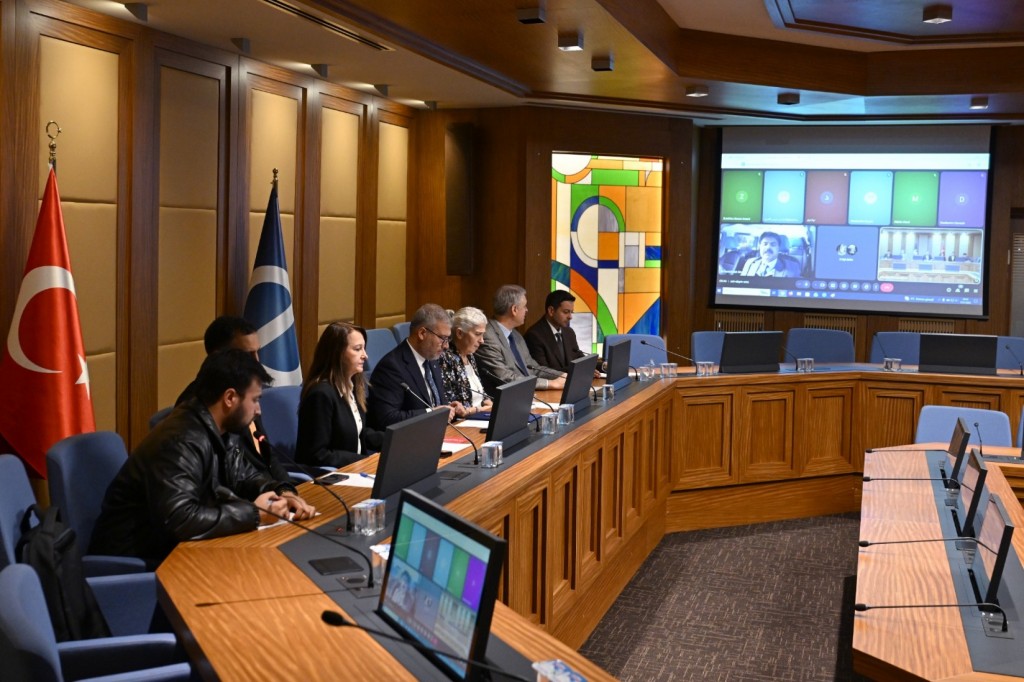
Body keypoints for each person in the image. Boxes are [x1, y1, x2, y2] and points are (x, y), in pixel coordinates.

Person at [90, 349, 316, 567]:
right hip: (139, 560)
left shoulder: (223, 429)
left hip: (177, 550)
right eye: (255, 400)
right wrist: (255, 514)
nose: (258, 410)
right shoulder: (181, 440)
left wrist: (282, 492)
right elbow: (180, 519)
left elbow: (244, 477)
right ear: (230, 398)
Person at [174, 315, 296, 488]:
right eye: (247, 354)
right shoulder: (196, 405)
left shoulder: (246, 392)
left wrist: (287, 490)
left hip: (262, 490)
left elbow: (268, 457)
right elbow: (220, 481)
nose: (257, 361)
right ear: (219, 356)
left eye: (257, 352)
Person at [295, 322, 384, 468]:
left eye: (364, 348)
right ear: (337, 353)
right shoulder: (321, 394)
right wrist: (363, 460)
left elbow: (357, 432)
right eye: (357, 349)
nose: (365, 356)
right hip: (334, 475)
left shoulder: (352, 385)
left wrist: (393, 440)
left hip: (356, 469)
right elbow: (316, 455)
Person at [368, 303, 464, 429]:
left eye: (448, 339)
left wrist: (451, 409)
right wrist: (431, 413)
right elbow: (387, 418)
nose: (446, 346)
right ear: (422, 333)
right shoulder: (392, 367)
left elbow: (436, 404)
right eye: (442, 338)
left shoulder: (431, 358)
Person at [475, 285, 566, 397]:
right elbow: (505, 377)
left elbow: (533, 368)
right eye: (524, 306)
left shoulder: (515, 335)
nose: (527, 310)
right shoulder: (487, 337)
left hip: (528, 396)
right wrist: (549, 384)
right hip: (504, 400)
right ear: (514, 309)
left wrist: (561, 375)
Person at [439, 307, 493, 417]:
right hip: (463, 422)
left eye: (482, 335)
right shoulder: (445, 358)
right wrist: (478, 410)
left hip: (481, 416)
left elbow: (479, 391)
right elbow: (453, 406)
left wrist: (487, 401)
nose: (482, 340)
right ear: (459, 333)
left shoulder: (470, 355)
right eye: (477, 334)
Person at [524, 290, 586, 374]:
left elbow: (579, 357)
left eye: (571, 312)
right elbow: (543, 371)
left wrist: (597, 366)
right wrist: (577, 369)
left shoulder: (569, 332)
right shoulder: (534, 336)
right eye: (566, 312)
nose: (570, 317)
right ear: (551, 311)